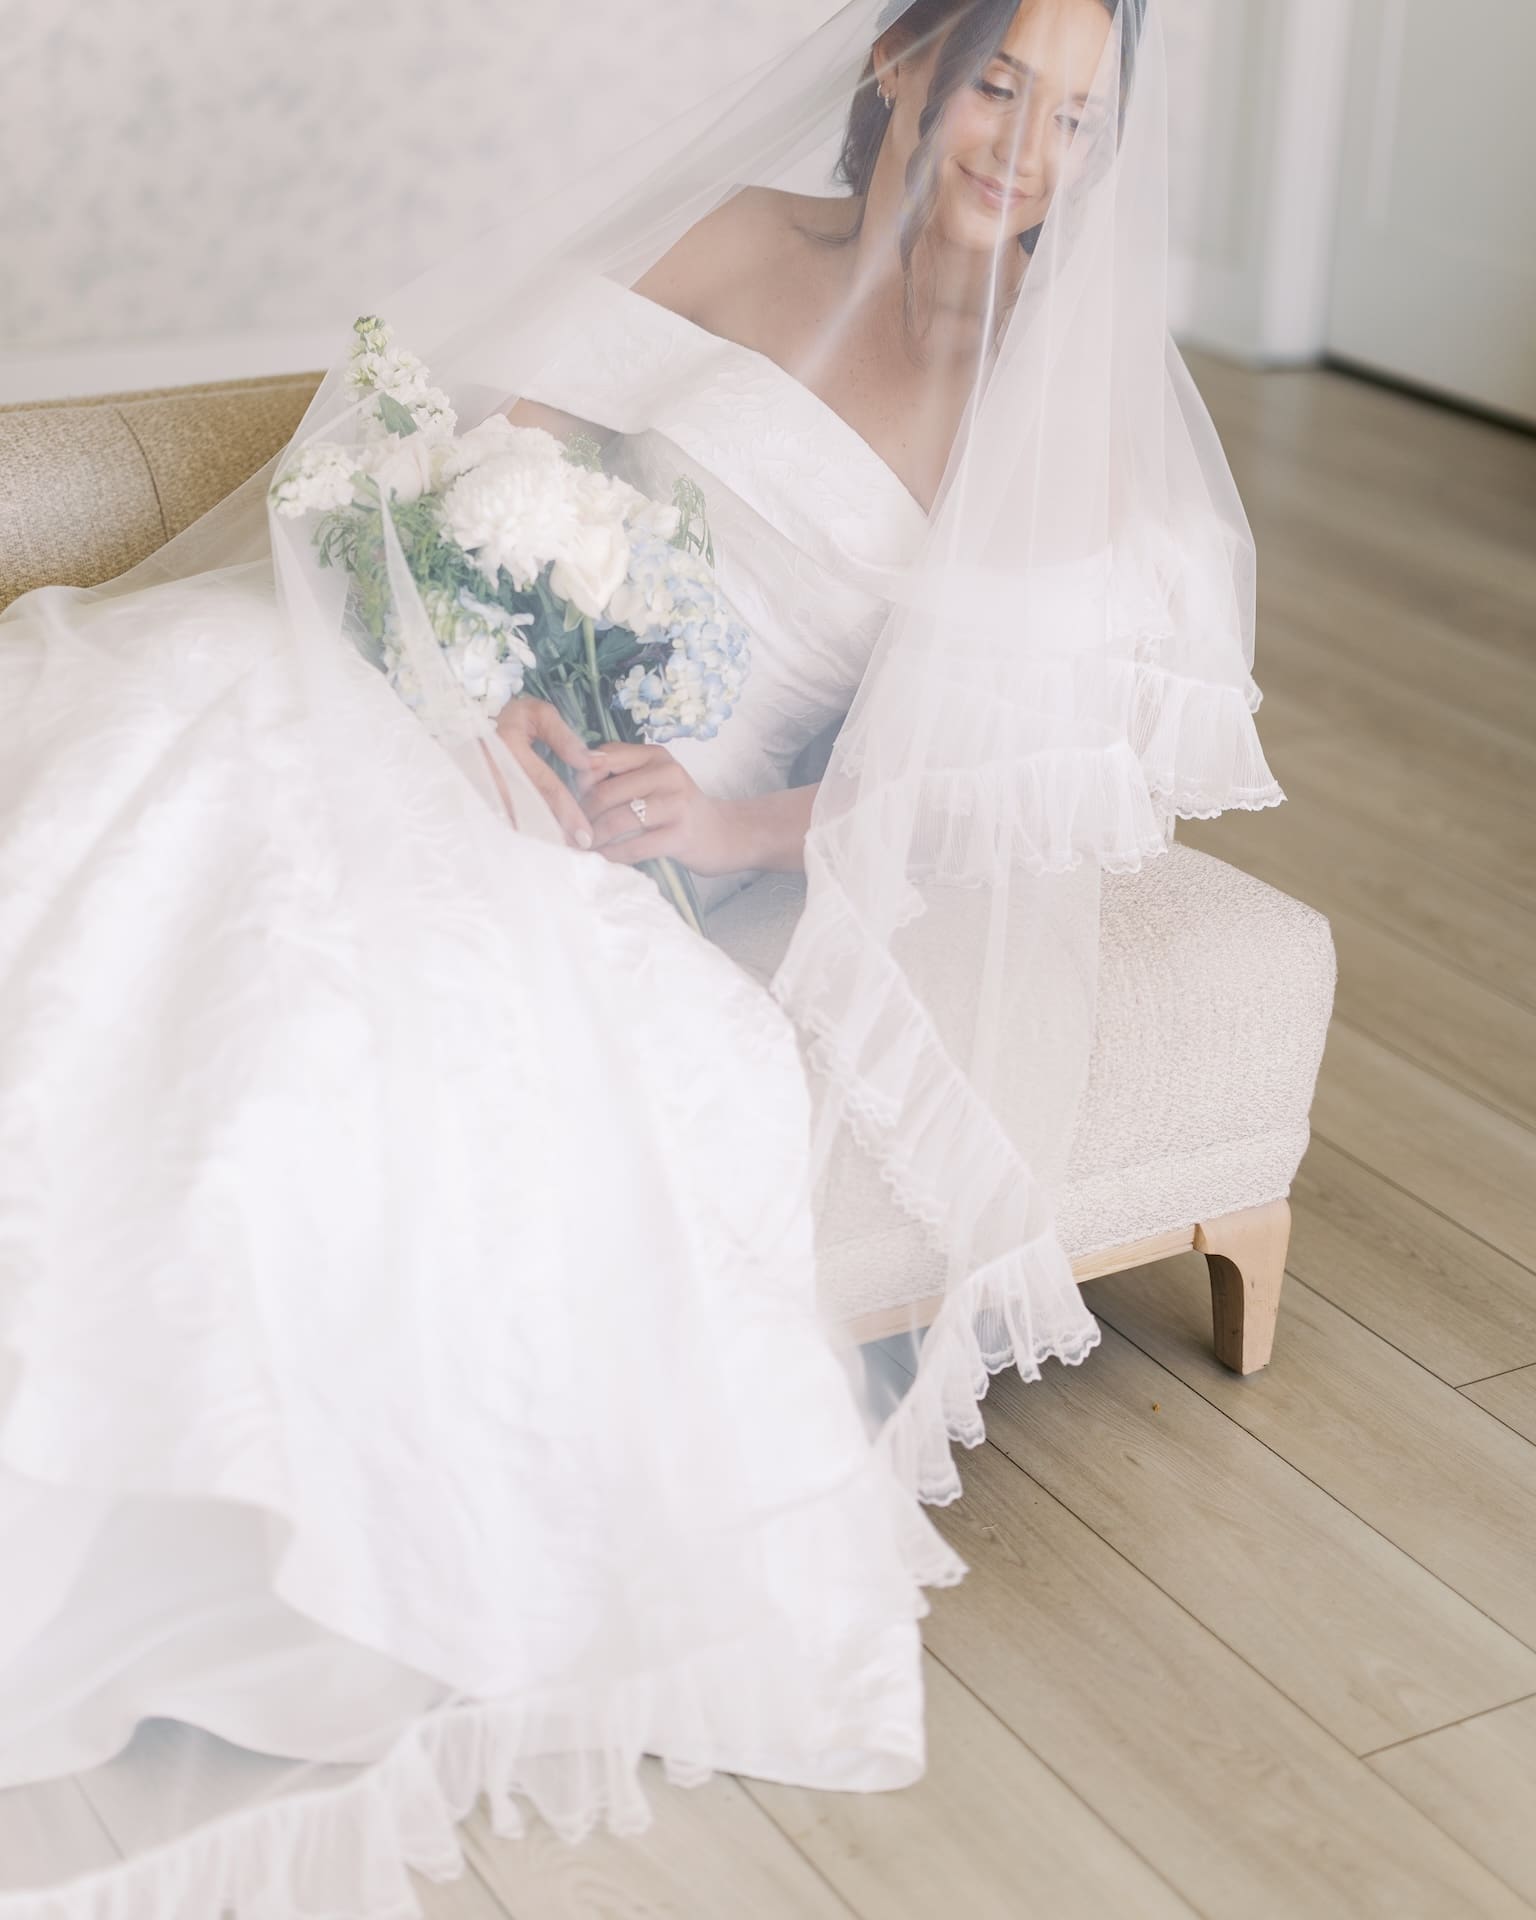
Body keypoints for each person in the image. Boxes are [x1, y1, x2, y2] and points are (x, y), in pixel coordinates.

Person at [0, 1, 1281, 1912]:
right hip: (450, 711)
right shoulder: (738, 236)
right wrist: (474, 668)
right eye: (997, 81)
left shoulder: (1051, 415)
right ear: (900, 72)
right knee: (167, 722)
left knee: (347, 1008)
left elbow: (984, 793)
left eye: (1074, 119)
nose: (1023, 145)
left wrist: (734, 826)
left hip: (643, 837)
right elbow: (449, 463)